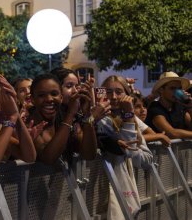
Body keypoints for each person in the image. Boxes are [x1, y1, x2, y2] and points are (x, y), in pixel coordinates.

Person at [98, 75, 153, 219]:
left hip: (123, 191)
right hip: (100, 193)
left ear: (127, 96)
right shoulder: (101, 120)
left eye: (119, 91)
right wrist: (129, 116)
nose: (114, 97)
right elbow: (126, 150)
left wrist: (129, 117)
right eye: (109, 92)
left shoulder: (132, 119)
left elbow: (145, 160)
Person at [27, 72, 100, 166]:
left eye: (54, 94)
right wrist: (70, 114)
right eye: (41, 95)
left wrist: (87, 114)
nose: (49, 99)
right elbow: (48, 158)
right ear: (32, 99)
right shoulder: (29, 124)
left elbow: (89, 155)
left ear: (61, 97)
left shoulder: (65, 119)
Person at [145, 71, 192, 139]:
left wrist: (190, 107)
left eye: (179, 88)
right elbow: (171, 133)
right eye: (172, 88)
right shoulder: (155, 108)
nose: (176, 92)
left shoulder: (179, 107)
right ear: (161, 90)